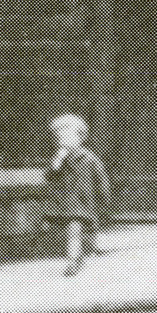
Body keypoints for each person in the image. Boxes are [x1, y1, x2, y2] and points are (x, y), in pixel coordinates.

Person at [44, 113, 108, 277]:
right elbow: (49, 176)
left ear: (80, 137)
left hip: (82, 202)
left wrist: (104, 200)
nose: (61, 140)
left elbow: (101, 179)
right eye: (58, 137)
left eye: (66, 136)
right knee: (72, 231)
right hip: (64, 203)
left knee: (74, 230)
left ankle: (72, 262)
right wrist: (56, 162)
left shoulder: (88, 158)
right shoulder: (60, 158)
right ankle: (81, 253)